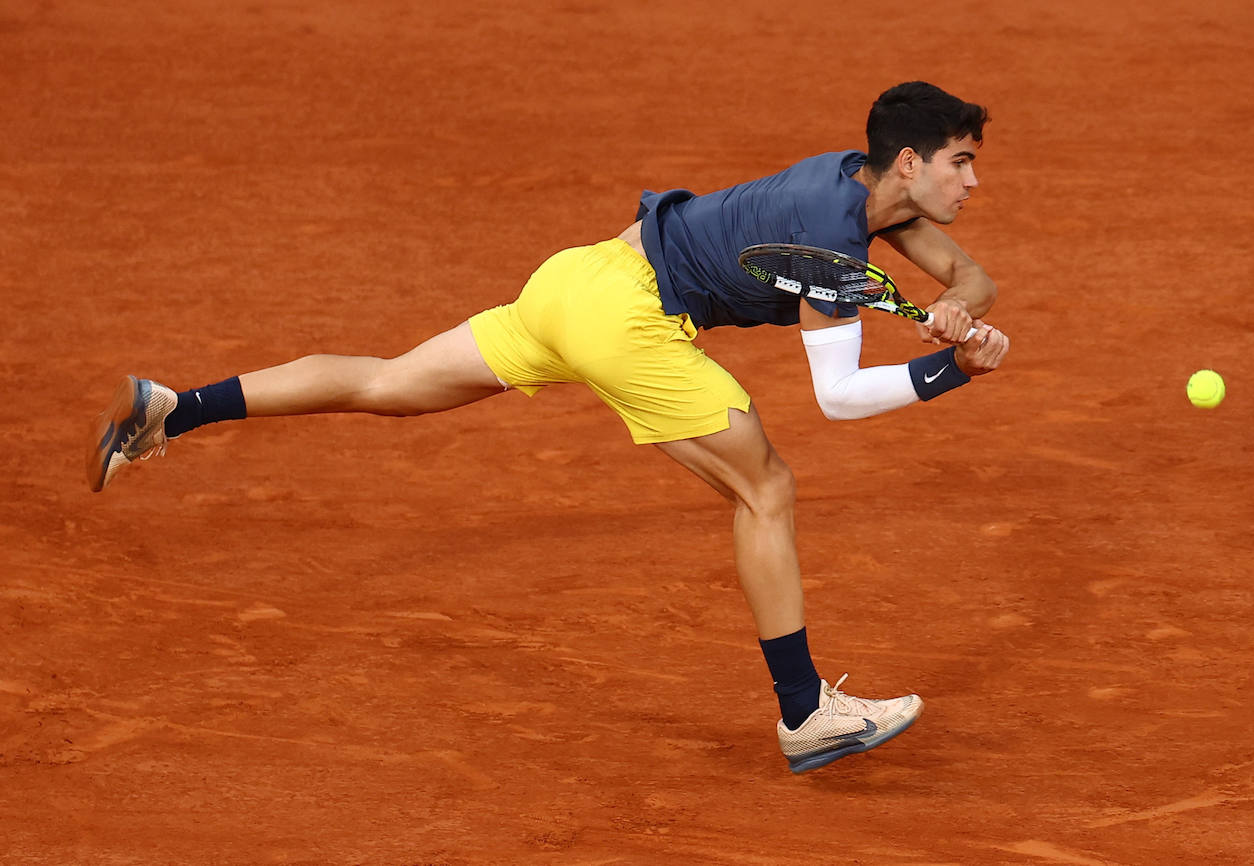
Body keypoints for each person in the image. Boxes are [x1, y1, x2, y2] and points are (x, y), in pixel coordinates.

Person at [87, 80, 1010, 774]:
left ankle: (174, 406)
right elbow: (839, 399)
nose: (973, 180)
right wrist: (948, 370)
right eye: (961, 162)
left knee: (389, 383)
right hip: (631, 320)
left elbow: (969, 276)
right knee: (765, 486)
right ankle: (805, 712)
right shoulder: (827, 240)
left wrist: (957, 310)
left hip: (575, 279)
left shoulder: (861, 190)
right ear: (908, 163)